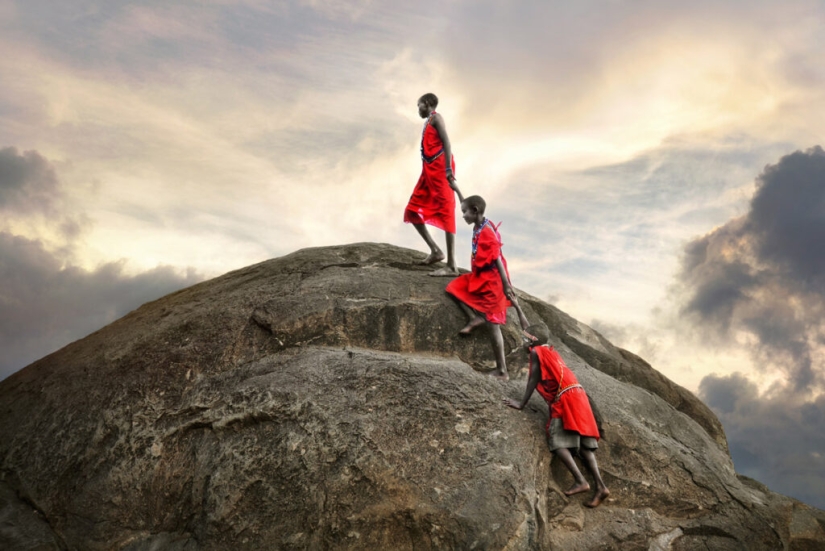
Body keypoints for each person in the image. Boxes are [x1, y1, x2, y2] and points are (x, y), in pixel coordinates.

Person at [503, 317, 610, 508]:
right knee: (585, 446)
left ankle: (581, 481)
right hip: (578, 394)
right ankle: (601, 488)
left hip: (565, 398)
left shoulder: (536, 352)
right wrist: (518, 307)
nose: (525, 340)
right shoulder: (550, 350)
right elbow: (531, 329)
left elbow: (533, 380)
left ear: (534, 340)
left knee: (558, 442)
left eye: (527, 338)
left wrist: (521, 404)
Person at [445, 195, 513, 380]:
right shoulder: (479, 223)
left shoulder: (487, 231)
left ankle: (502, 371)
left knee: (493, 325)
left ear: (475, 211)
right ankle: (474, 318)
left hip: (493, 281)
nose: (463, 216)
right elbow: (467, 200)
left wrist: (506, 285)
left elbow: (497, 257)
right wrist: (456, 188)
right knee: (454, 288)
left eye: (464, 212)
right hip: (480, 277)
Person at [404, 93, 463, 277]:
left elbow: (447, 142)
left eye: (419, 105)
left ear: (428, 104)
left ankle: (452, 265)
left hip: (440, 169)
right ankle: (436, 251)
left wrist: (447, 170)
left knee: (446, 210)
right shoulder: (428, 121)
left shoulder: (436, 117)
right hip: (427, 171)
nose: (418, 109)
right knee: (412, 210)